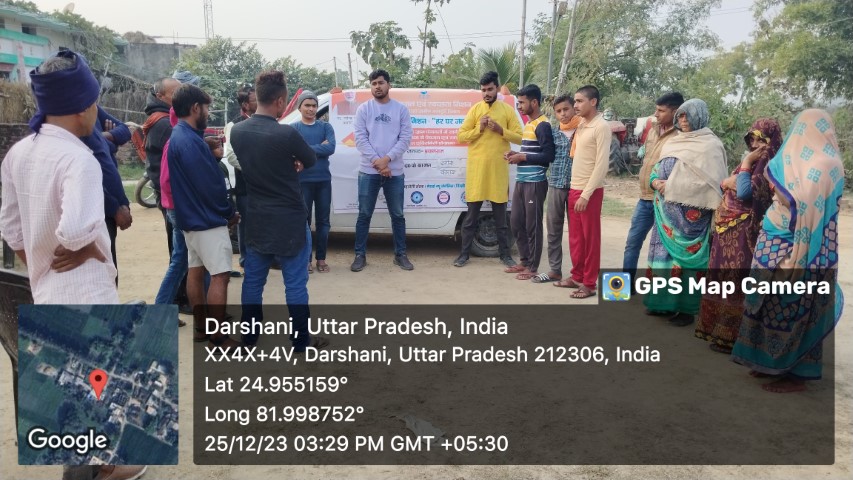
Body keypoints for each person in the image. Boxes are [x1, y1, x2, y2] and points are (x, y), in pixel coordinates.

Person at [0, 49, 146, 480]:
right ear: (83, 107)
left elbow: (12, 230)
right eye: (95, 102)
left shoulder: (19, 153)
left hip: (47, 288)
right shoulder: (78, 159)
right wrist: (88, 250)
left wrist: (41, 264)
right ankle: (99, 468)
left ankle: (99, 462)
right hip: (85, 290)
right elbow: (77, 230)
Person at [732, 109, 844, 393]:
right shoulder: (789, 158)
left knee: (795, 307)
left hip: (806, 246)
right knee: (765, 303)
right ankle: (765, 360)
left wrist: (780, 190)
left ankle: (796, 374)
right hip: (773, 238)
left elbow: (802, 202)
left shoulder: (827, 164)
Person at [230, 70, 328, 351]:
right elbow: (310, 159)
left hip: (257, 218)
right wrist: (294, 160)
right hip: (290, 221)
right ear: (281, 101)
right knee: (295, 285)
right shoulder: (287, 134)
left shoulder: (237, 131)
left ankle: (249, 338)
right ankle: (301, 341)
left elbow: (256, 160)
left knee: (253, 282)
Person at [695, 119, 782, 353]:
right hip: (727, 230)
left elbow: (743, 192)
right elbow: (724, 184)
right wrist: (729, 181)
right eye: (751, 139)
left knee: (735, 282)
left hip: (744, 233)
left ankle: (732, 336)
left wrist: (745, 164)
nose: (755, 145)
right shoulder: (755, 162)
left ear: (771, 141)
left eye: (761, 140)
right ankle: (717, 330)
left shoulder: (767, 164)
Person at [167, 83, 240, 349]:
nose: (208, 113)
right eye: (207, 108)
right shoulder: (188, 141)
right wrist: (229, 212)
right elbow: (209, 185)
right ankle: (218, 337)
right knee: (220, 275)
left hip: (191, 220)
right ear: (196, 108)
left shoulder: (182, 136)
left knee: (196, 272)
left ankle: (201, 328)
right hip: (206, 221)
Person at [643, 98, 728, 326]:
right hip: (665, 213)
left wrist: (670, 186)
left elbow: (712, 185)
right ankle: (661, 304)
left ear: (700, 116)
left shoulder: (711, 146)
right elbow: (657, 168)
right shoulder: (674, 142)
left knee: (688, 263)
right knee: (663, 257)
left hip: (692, 220)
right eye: (680, 115)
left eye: (688, 115)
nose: (683, 120)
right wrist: (655, 182)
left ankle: (686, 310)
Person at [453, 71, 523, 268]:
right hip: (477, 172)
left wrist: (501, 130)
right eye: (483, 90)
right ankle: (464, 255)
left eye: (490, 89)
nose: (486, 93)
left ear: (497, 89)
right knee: (470, 219)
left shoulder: (507, 111)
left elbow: (520, 137)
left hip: (498, 172)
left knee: (501, 220)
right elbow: (461, 136)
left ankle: (505, 255)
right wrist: (480, 128)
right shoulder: (475, 110)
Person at [351, 69, 414, 272]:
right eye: (374, 83)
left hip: (394, 172)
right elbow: (360, 139)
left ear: (389, 85)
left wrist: (386, 160)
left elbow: (405, 139)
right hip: (368, 171)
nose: (377, 86)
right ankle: (360, 255)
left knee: (398, 215)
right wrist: (377, 162)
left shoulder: (400, 110)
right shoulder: (364, 109)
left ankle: (400, 255)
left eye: (381, 82)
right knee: (364, 214)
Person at [554, 85, 610, 299]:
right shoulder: (583, 124)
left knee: (590, 240)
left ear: (593, 102)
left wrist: (586, 194)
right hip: (574, 188)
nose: (575, 105)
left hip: (590, 192)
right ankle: (577, 276)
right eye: (575, 101)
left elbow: (601, 165)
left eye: (579, 101)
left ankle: (589, 283)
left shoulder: (601, 126)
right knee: (576, 239)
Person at [622, 92, 684, 282]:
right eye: (656, 110)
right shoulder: (653, 129)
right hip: (645, 198)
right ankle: (623, 288)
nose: (656, 114)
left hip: (666, 201)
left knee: (665, 248)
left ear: (675, 112)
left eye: (661, 111)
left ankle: (662, 292)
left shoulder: (681, 137)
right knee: (632, 243)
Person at [502, 84, 554, 280]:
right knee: (516, 222)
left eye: (522, 103)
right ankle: (524, 261)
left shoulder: (543, 125)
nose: (519, 106)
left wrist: (522, 157)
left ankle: (532, 267)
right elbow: (532, 151)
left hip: (535, 182)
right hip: (522, 181)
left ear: (534, 102)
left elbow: (548, 156)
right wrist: (515, 154)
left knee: (533, 226)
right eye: (518, 103)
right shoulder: (529, 124)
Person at [531, 94, 581, 283]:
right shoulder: (553, 133)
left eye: (566, 109)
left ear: (574, 108)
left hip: (577, 186)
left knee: (577, 233)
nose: (563, 114)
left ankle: (578, 273)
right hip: (556, 185)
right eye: (558, 111)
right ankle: (555, 270)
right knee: (553, 229)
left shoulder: (583, 131)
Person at [80, 106, 133, 281]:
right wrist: (115, 207)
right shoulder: (75, 127)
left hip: (108, 207)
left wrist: (105, 138)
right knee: (102, 270)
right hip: (97, 209)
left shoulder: (92, 109)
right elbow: (88, 178)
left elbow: (125, 130)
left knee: (109, 265)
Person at [292, 90, 336, 273]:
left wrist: (304, 151)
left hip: (323, 181)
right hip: (303, 181)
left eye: (314, 105)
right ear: (299, 107)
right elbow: (293, 151)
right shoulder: (294, 128)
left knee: (323, 222)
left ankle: (321, 259)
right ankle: (306, 260)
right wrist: (319, 148)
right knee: (304, 222)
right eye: (307, 105)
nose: (311, 109)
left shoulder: (326, 127)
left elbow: (331, 148)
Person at [224, 85, 257, 272]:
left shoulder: (262, 121)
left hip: (262, 184)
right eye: (255, 100)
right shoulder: (233, 125)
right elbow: (231, 156)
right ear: (245, 104)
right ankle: (245, 259)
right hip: (245, 183)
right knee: (245, 223)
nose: (259, 102)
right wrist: (253, 170)